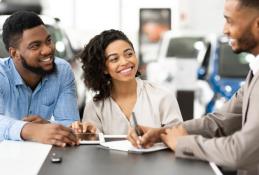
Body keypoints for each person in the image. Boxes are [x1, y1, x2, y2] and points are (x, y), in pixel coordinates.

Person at [128, 0, 259, 174]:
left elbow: (241, 152)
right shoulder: (255, 72)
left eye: (230, 21)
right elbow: (220, 122)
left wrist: (183, 143)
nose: (224, 30)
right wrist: (163, 133)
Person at [71, 29, 182, 135]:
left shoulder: (162, 97)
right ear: (103, 68)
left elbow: (178, 137)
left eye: (129, 54)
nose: (125, 62)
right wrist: (86, 135)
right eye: (114, 59)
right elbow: (93, 149)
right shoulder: (95, 108)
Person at [0, 11, 81, 147]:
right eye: (35, 46)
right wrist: (32, 130)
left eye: (48, 41)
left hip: (44, 158)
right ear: (15, 53)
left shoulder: (62, 70)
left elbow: (70, 123)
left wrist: (47, 127)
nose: (47, 50)